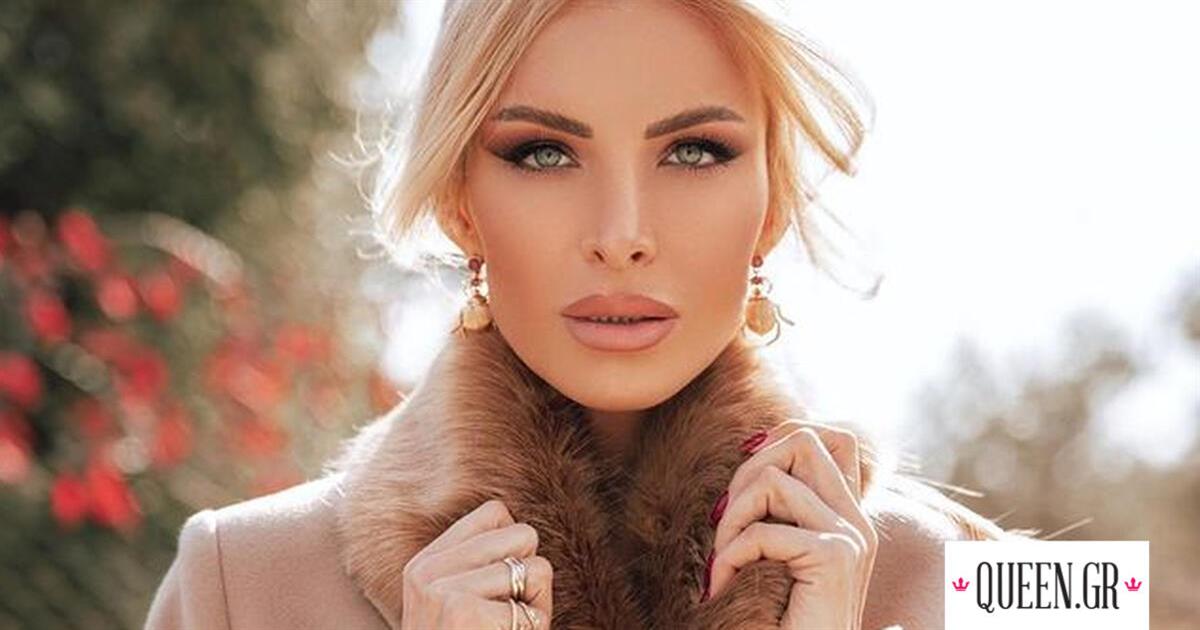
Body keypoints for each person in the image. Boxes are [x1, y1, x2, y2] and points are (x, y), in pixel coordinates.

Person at [146, 1, 1027, 628]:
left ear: (773, 204)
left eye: (694, 151)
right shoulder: (239, 582)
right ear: (460, 206)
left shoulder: (988, 587)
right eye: (543, 153)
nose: (621, 236)